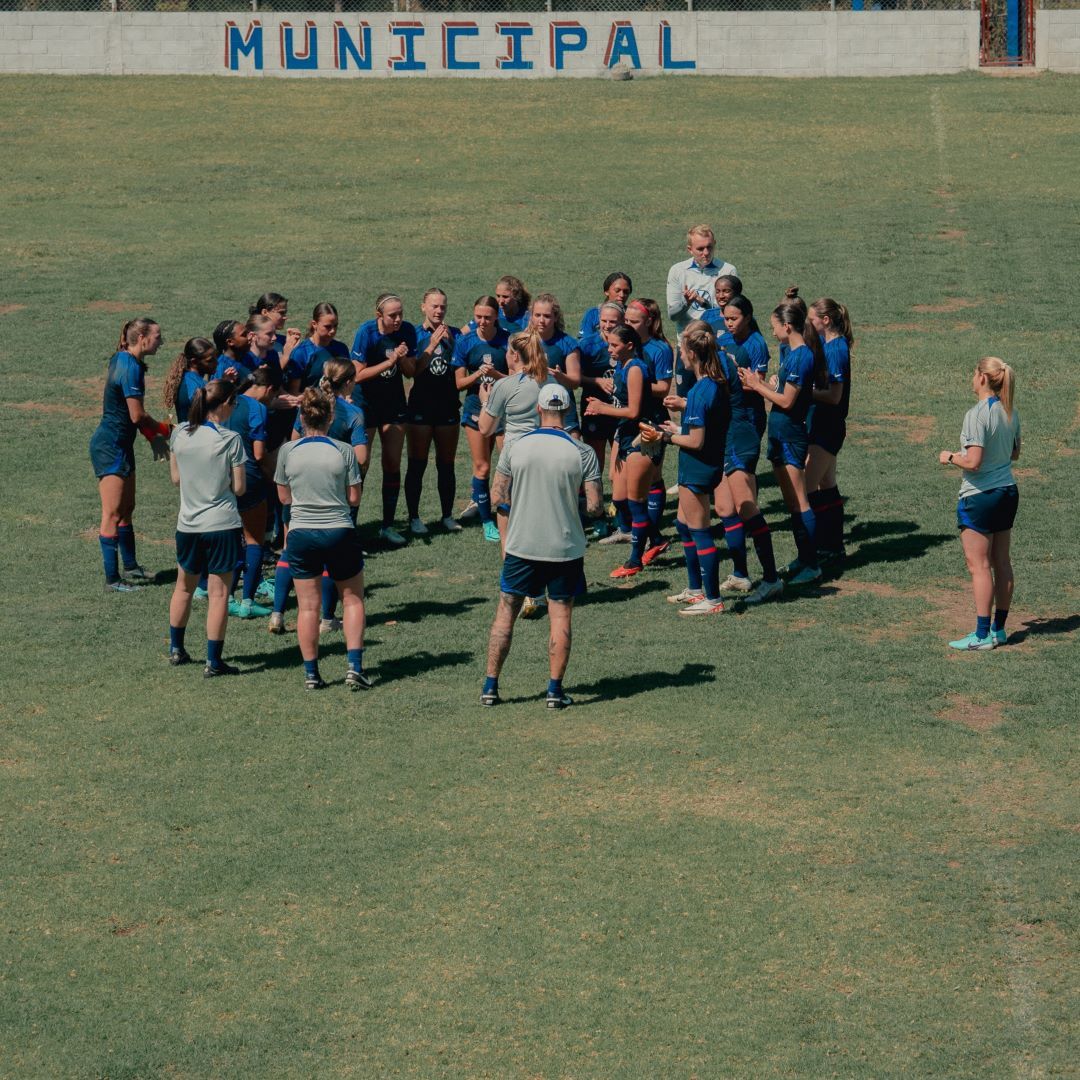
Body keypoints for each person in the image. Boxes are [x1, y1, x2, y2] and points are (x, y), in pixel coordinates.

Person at [481, 384, 603, 710]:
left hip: (522, 545)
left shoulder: (516, 446)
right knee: (560, 615)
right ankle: (554, 691)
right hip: (565, 547)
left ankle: (490, 686)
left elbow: (496, 497)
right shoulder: (583, 452)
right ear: (567, 410)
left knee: (506, 611)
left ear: (538, 409)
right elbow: (594, 507)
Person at [275, 387, 368, 690]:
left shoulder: (288, 451)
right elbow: (354, 498)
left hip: (301, 533)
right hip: (339, 530)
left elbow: (283, 497)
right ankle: (354, 667)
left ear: (302, 418)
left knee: (307, 607)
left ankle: (312, 674)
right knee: (352, 599)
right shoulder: (344, 450)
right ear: (330, 417)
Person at [739, 301, 826, 587]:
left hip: (790, 435)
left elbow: (788, 402)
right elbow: (784, 392)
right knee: (791, 502)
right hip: (780, 433)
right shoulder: (792, 353)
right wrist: (766, 384)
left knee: (800, 501)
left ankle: (812, 564)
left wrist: (757, 385)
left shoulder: (802, 356)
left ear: (787, 326)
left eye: (774, 326)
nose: (773, 331)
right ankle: (804, 558)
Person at [938, 358, 1020, 650]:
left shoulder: (976, 414)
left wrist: (950, 457)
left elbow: (973, 462)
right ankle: (999, 630)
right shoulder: (1010, 411)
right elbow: (1014, 454)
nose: (971, 378)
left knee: (979, 566)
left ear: (983, 377)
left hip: (980, 496)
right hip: (1007, 492)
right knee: (1002, 562)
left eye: (974, 373)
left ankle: (982, 635)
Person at [166, 379, 246, 676]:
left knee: (183, 587)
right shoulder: (230, 439)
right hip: (222, 524)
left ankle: (176, 649)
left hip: (188, 523)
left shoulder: (179, 433)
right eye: (233, 403)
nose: (234, 408)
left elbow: (176, 479)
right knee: (219, 594)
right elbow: (239, 488)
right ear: (223, 404)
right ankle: (214, 661)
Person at [651, 321, 731, 615]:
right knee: (684, 525)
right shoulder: (712, 385)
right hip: (703, 464)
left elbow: (696, 441)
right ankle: (696, 589)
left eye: (682, 351)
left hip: (697, 467)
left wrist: (665, 437)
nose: (681, 356)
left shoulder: (700, 391)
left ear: (693, 354)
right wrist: (678, 427)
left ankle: (713, 599)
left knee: (700, 531)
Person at [480, 328, 558, 620]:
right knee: (539, 525)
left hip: (513, 461)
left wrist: (486, 399)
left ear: (514, 354)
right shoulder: (550, 382)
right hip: (546, 458)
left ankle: (518, 591)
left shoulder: (506, 385)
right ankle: (540, 591)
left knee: (508, 527)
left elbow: (486, 428)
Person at [89, 318, 171, 592]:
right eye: (157, 336)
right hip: (110, 447)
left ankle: (131, 566)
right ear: (142, 338)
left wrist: (151, 437)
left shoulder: (124, 359)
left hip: (121, 445)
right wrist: (163, 430)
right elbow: (137, 415)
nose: (161, 341)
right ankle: (113, 580)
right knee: (112, 513)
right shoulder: (130, 368)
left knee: (127, 509)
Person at [712, 298, 782, 604]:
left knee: (745, 505)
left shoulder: (748, 348)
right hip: (728, 431)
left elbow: (754, 386)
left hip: (744, 430)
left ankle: (771, 579)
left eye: (734, 318)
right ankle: (740, 573)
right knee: (725, 507)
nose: (728, 324)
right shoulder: (726, 346)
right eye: (725, 318)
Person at [583, 325, 658, 579]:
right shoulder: (622, 366)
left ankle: (635, 560)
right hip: (626, 434)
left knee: (636, 501)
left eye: (614, 345)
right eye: (609, 344)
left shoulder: (635, 368)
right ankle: (657, 539)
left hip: (641, 436)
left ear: (629, 345)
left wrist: (602, 408)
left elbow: (634, 411)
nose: (609, 349)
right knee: (622, 497)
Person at [351, 293, 417, 546]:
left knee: (392, 464)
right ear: (379, 315)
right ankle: (351, 527)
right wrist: (390, 361)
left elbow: (410, 373)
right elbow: (357, 375)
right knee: (361, 464)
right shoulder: (366, 332)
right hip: (366, 405)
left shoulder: (407, 331)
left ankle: (387, 526)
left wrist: (402, 359)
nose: (398, 319)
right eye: (392, 315)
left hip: (393, 404)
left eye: (400, 313)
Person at [404, 288, 462, 536]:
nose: (439, 311)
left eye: (443, 307)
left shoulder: (455, 334)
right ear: (423, 307)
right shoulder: (414, 335)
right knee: (417, 464)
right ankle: (414, 518)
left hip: (448, 406)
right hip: (420, 407)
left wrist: (452, 343)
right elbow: (412, 372)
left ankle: (447, 515)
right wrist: (433, 344)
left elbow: (461, 367)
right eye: (434, 306)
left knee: (446, 465)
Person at [452, 295, 510, 542]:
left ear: (497, 316)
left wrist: (495, 375)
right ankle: (487, 521)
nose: (482, 322)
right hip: (476, 409)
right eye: (478, 317)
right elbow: (459, 383)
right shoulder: (465, 342)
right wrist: (477, 375)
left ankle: (508, 512)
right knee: (482, 466)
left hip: (504, 411)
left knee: (508, 464)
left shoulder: (508, 340)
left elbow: (516, 377)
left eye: (487, 317)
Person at [225, 367, 277, 619]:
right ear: (269, 389)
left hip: (222, 480)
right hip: (249, 479)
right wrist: (273, 475)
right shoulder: (257, 409)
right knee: (254, 540)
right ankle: (248, 601)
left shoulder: (224, 402)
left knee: (233, 540)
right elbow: (258, 454)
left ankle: (227, 598)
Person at [624, 299, 674, 562]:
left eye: (634, 322)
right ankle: (654, 537)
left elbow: (664, 388)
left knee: (651, 478)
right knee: (630, 482)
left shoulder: (659, 349)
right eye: (626, 320)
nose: (628, 325)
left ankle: (651, 538)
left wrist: (634, 382)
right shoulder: (627, 344)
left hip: (652, 420)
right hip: (630, 419)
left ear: (649, 322)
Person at [806, 298, 853, 561]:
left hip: (827, 426)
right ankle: (833, 546)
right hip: (826, 424)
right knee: (826, 484)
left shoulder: (836, 350)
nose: (808, 323)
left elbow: (835, 396)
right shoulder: (830, 345)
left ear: (825, 320)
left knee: (806, 487)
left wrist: (804, 392)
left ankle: (816, 547)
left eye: (811, 319)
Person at [578, 301, 625, 539]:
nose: (607, 326)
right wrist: (597, 381)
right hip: (594, 411)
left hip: (620, 412)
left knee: (620, 466)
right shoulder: (587, 345)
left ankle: (619, 512)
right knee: (594, 464)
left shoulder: (628, 343)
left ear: (622, 322)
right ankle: (596, 515)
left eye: (612, 321)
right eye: (604, 321)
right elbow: (575, 377)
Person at [665, 224, 738, 341]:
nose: (706, 252)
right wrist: (686, 303)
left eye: (709, 247)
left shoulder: (727, 270)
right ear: (690, 249)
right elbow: (673, 316)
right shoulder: (677, 271)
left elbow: (732, 312)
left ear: (714, 244)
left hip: (717, 343)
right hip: (687, 343)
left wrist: (704, 303)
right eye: (700, 249)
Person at [530, 293, 583, 437]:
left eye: (547, 316)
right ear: (531, 316)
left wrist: (561, 377)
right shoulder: (524, 342)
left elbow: (575, 382)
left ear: (555, 317)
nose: (541, 320)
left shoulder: (568, 343)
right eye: (537, 315)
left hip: (561, 409)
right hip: (532, 409)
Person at [161, 337, 216, 425]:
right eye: (210, 360)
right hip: (195, 432)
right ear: (194, 362)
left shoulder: (188, 377)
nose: (216, 363)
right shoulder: (194, 385)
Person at [578, 272, 632, 338]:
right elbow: (584, 340)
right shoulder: (593, 314)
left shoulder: (632, 315)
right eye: (617, 290)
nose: (622, 295)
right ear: (606, 291)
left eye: (626, 291)